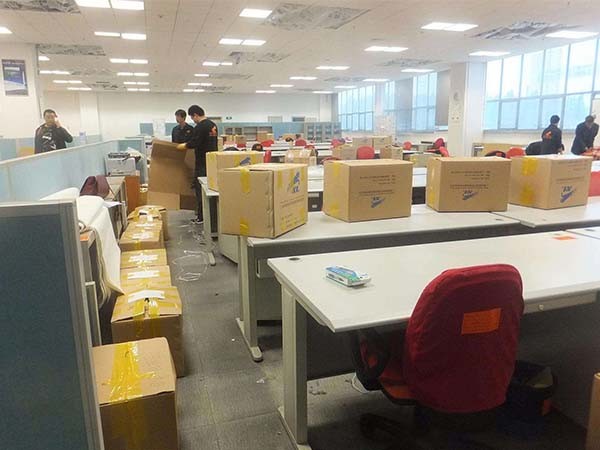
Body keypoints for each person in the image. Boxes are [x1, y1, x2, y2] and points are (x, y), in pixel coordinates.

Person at [176, 105, 218, 222]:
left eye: (192, 117)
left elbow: (195, 142)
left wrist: (185, 145)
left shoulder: (200, 126)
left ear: (195, 115)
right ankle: (212, 216)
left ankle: (201, 217)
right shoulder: (212, 125)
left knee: (200, 190)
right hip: (212, 162)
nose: (193, 120)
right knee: (211, 190)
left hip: (202, 163)